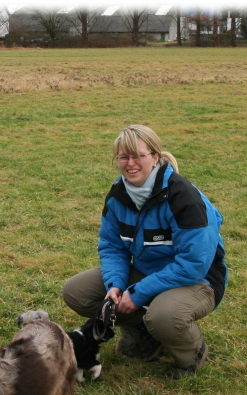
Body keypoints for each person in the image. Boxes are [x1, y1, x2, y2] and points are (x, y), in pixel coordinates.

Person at [63, 125, 226, 379]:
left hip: (198, 279)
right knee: (77, 292)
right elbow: (112, 246)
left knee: (164, 316)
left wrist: (139, 293)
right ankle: (145, 336)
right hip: (147, 271)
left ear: (155, 157)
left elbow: (194, 263)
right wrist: (115, 284)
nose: (131, 163)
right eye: (123, 157)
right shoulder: (118, 195)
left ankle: (191, 355)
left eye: (139, 155)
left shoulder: (183, 197)